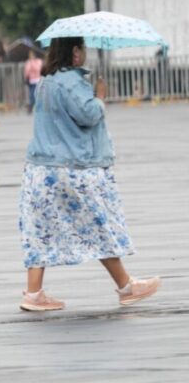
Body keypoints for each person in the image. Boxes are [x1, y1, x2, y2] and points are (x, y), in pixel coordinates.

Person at [18, 37, 161, 312]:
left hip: (40, 168)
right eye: (82, 49)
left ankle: (33, 293)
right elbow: (88, 115)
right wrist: (100, 96)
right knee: (97, 223)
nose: (84, 53)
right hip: (71, 168)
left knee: (40, 230)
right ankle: (126, 286)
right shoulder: (70, 81)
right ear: (74, 52)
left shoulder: (46, 81)